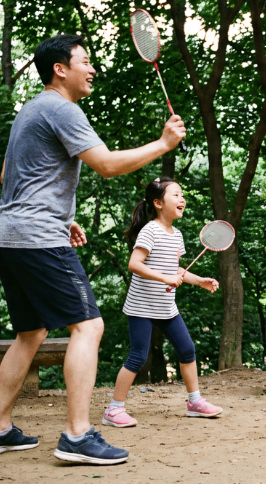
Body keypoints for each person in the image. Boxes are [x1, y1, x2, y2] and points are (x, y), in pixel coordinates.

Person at [0, 34, 186, 465]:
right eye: (85, 62)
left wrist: (60, 214)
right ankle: (77, 434)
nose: (92, 69)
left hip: (9, 234)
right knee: (88, 327)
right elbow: (107, 165)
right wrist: (163, 145)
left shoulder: (30, 109)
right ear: (60, 69)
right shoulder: (61, 107)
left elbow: (7, 174)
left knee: (31, 333)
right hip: (37, 238)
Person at [102, 177, 224, 428]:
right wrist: (164, 278)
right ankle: (114, 410)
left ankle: (194, 402)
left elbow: (176, 268)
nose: (182, 199)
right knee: (137, 357)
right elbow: (134, 264)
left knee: (187, 350)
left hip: (166, 306)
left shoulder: (176, 234)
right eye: (176, 195)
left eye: (182, 195)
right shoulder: (150, 230)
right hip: (142, 306)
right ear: (158, 203)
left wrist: (199, 280)